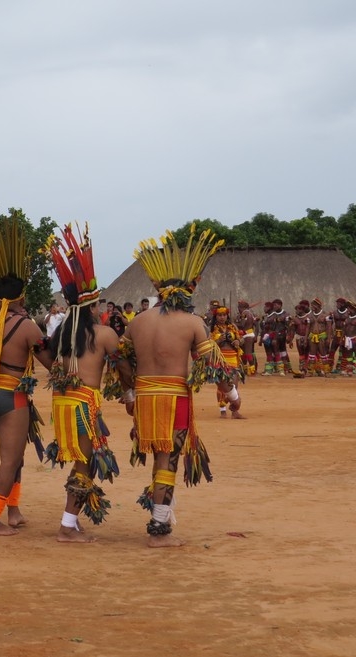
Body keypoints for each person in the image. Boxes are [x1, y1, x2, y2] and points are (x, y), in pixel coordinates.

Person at [120, 225, 234, 547]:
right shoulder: (193, 322)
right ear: (188, 289)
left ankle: (162, 513)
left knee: (159, 458)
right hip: (173, 399)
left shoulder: (137, 321)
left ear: (157, 288)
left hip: (144, 396)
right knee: (167, 460)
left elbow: (120, 358)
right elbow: (214, 367)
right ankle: (159, 529)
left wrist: (129, 391)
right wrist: (233, 393)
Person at [0, 218, 53, 536]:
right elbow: (50, 359)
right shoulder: (28, 326)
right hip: (12, 397)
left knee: (14, 454)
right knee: (10, 458)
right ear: (20, 297)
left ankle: (13, 511)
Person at [43, 224, 123, 542]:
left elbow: (45, 357)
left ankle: (71, 522)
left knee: (84, 461)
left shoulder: (61, 333)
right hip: (83, 403)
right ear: (93, 305)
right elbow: (122, 363)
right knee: (84, 462)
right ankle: (66, 526)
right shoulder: (104, 334)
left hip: (63, 402)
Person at [209, 306, 246, 418]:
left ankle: (234, 411)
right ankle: (222, 410)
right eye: (219, 315)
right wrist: (218, 340)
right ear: (216, 316)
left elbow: (242, 339)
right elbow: (208, 343)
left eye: (224, 315)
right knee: (222, 386)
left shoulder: (232, 327)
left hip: (233, 358)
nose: (222, 317)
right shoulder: (211, 329)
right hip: (220, 358)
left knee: (234, 385)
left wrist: (237, 342)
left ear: (227, 316)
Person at [340, 300, 356, 376]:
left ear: (353, 309)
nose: (348, 310)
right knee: (349, 356)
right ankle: (349, 371)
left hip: (355, 338)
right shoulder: (347, 318)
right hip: (348, 339)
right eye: (347, 309)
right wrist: (342, 338)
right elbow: (344, 329)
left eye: (349, 309)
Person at [288, 300, 312, 377]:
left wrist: (306, 338)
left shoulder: (308, 318)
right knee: (301, 353)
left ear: (302, 310)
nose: (296, 311)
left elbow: (309, 328)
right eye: (296, 310)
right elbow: (292, 330)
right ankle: (301, 368)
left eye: (298, 310)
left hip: (307, 337)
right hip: (298, 337)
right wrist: (291, 340)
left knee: (307, 352)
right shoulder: (295, 319)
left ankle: (306, 368)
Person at [308, 298, 331, 376]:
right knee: (311, 354)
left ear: (318, 305)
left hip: (322, 336)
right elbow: (308, 327)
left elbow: (329, 327)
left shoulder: (326, 315)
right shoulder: (310, 315)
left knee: (323, 354)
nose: (312, 307)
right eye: (311, 305)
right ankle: (310, 372)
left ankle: (327, 371)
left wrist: (328, 338)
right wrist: (306, 338)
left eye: (313, 305)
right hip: (312, 336)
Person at [235, 300, 258, 376]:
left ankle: (252, 369)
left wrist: (234, 323)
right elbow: (256, 324)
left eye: (239, 307)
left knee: (248, 353)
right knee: (244, 353)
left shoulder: (244, 314)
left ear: (242, 307)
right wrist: (256, 335)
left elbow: (242, 324)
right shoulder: (251, 313)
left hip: (247, 334)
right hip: (248, 334)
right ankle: (244, 369)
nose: (238, 309)